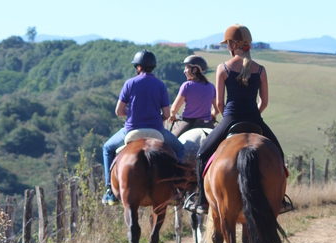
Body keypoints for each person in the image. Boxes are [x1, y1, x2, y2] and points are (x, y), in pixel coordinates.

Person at [191, 24, 288, 214]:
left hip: (230, 118)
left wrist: (226, 115)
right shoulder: (260, 70)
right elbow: (264, 101)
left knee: (202, 155)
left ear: (232, 44)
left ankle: (202, 201)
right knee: (278, 155)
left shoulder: (223, 68)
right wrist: (255, 114)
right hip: (254, 117)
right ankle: (281, 200)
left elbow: (219, 103)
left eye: (227, 42)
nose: (227, 45)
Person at [102, 49, 185, 205]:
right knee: (180, 149)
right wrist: (155, 116)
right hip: (156, 130)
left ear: (138, 67)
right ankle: (176, 187)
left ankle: (109, 191)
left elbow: (118, 111)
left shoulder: (129, 83)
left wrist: (133, 111)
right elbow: (167, 114)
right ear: (152, 66)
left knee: (107, 148)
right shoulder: (160, 85)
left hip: (131, 129)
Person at [168, 55, 219, 137]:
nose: (184, 71)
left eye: (186, 68)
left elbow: (174, 109)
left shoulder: (186, 85)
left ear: (195, 69)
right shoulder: (211, 86)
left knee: (171, 144)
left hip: (188, 123)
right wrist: (212, 116)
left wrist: (172, 116)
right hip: (207, 124)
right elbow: (217, 109)